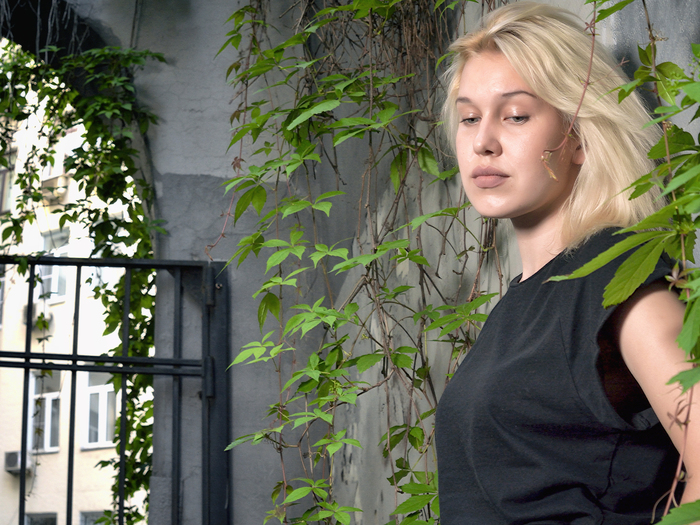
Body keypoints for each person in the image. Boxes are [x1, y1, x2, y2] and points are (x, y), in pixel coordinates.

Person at [434, 2, 697, 524]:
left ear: (578, 136)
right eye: (469, 118)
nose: (483, 142)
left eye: (515, 116)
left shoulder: (617, 281)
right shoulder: (523, 302)